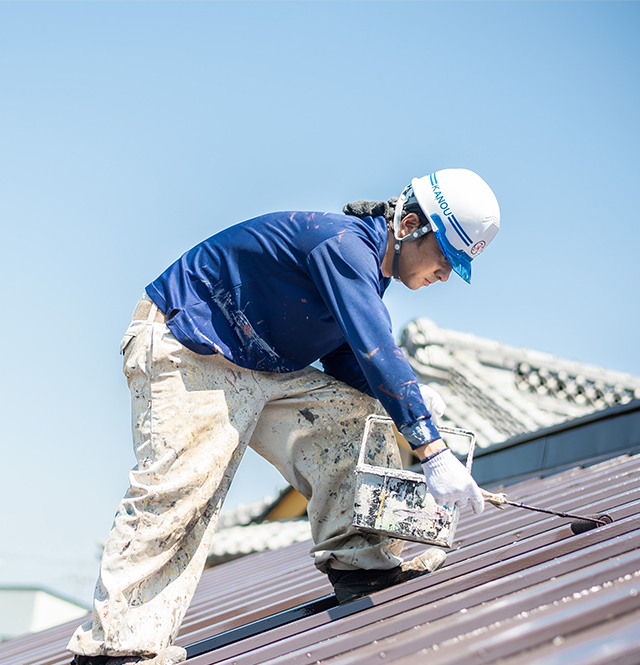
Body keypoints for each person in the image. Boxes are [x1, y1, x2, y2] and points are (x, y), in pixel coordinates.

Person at [68, 168, 500, 665]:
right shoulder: (342, 247)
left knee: (352, 417)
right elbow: (377, 349)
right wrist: (430, 447)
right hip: (189, 348)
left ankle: (361, 565)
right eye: (446, 257)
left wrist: (406, 396)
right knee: (182, 486)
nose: (445, 275)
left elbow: (348, 360)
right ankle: (114, 648)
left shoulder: (365, 272)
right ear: (407, 227)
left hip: (260, 364)